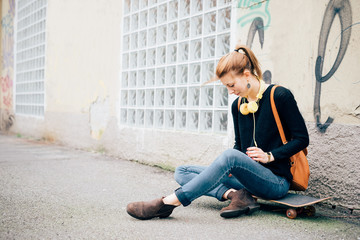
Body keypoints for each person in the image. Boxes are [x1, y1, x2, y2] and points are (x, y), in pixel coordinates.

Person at [126, 43, 309, 220]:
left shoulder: (280, 96)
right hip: (244, 180)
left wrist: (269, 156)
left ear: (246, 75)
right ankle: (236, 196)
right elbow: (239, 145)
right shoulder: (238, 105)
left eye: (231, 85)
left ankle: (169, 203)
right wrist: (229, 168)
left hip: (275, 182)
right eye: (226, 87)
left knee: (229, 156)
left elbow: (302, 139)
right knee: (182, 171)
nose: (230, 92)